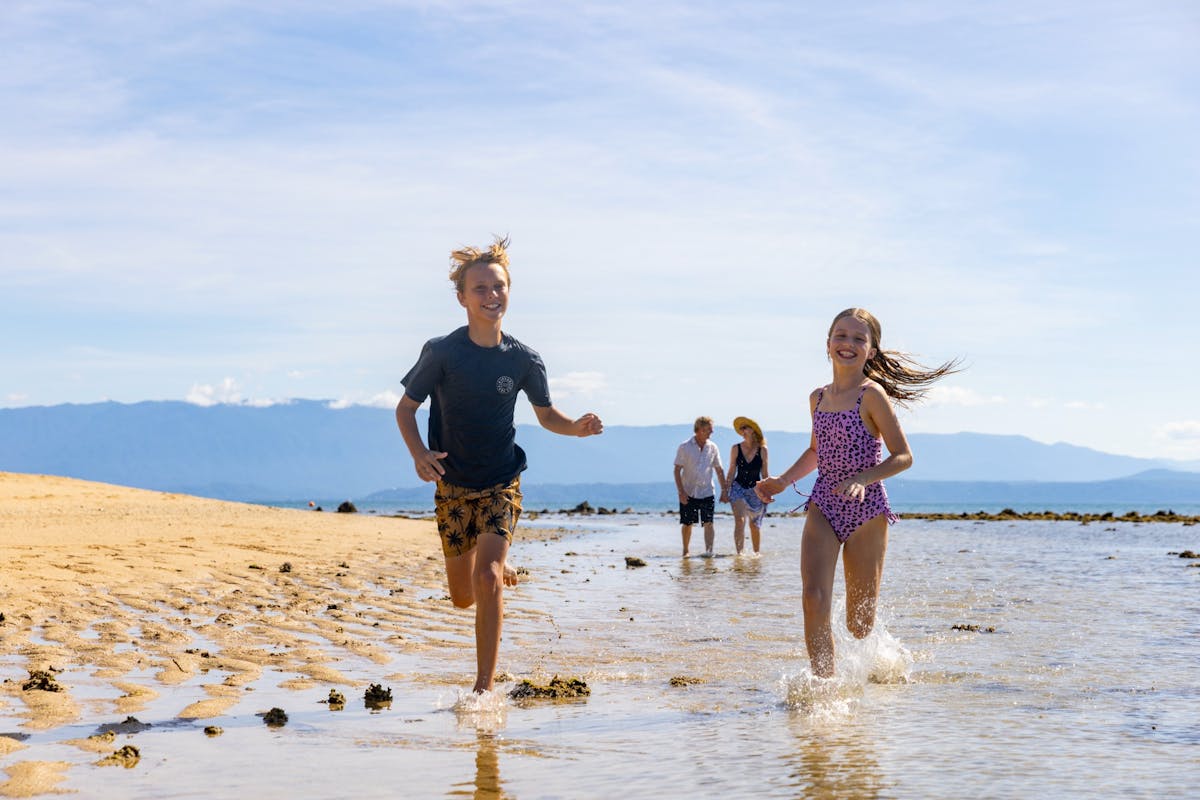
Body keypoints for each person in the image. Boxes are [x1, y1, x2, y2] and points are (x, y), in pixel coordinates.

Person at [395, 236, 603, 694]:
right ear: (462, 298)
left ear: (510, 291)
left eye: (500, 287)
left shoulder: (525, 359)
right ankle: (496, 564)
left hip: (501, 481)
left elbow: (548, 417)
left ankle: (483, 689)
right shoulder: (442, 353)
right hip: (452, 484)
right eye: (481, 289)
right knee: (462, 597)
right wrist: (419, 454)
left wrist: (578, 428)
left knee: (486, 577)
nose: (492, 296)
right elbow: (405, 409)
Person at [756, 308, 959, 678]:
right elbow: (817, 451)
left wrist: (863, 479)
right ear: (828, 343)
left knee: (859, 624)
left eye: (858, 339)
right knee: (812, 597)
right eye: (841, 335)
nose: (847, 344)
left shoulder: (872, 396)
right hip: (824, 504)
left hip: (867, 510)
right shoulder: (816, 398)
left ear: (871, 350)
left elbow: (904, 456)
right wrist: (782, 481)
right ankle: (825, 685)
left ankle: (884, 665)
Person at [673, 416, 727, 557]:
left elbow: (719, 470)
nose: (711, 432)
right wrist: (681, 492)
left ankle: (709, 552)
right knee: (687, 523)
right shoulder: (685, 447)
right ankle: (686, 551)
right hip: (688, 491)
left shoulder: (713, 447)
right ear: (699, 429)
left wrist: (724, 490)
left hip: (707, 491)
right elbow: (677, 470)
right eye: (708, 429)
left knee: (709, 522)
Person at [725, 416, 769, 555]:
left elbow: (765, 473)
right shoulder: (736, 448)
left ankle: (756, 554)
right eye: (741, 428)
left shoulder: (762, 450)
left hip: (756, 490)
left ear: (753, 431)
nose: (743, 430)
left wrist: (768, 492)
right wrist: (726, 490)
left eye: (745, 428)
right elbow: (731, 470)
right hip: (738, 488)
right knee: (739, 520)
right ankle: (740, 554)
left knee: (754, 525)